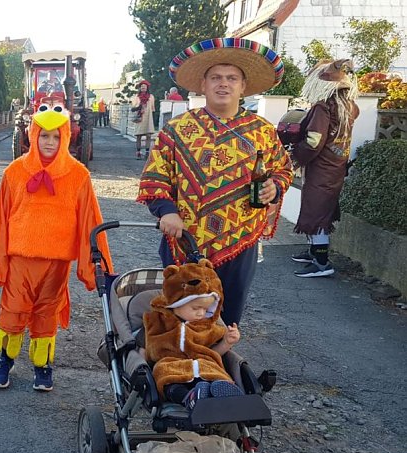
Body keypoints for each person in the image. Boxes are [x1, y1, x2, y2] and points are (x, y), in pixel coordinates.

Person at [137, 37, 294, 327]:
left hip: (240, 239)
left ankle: (220, 367)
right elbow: (155, 177)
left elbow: (283, 169)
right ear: (203, 84)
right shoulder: (177, 130)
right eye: (216, 78)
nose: (224, 84)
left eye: (232, 78)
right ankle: (179, 368)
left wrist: (275, 186)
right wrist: (166, 210)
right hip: (186, 239)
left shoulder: (262, 131)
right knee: (182, 315)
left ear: (243, 86)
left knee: (228, 317)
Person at [0, 103, 113, 392]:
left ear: (66, 137)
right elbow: (1, 219)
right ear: (33, 135)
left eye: (56, 137)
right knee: (13, 309)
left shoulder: (79, 175)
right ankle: (5, 358)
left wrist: (98, 269)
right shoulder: (14, 172)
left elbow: (90, 221)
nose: (49, 142)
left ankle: (43, 363)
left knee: (47, 312)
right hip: (20, 258)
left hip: (56, 263)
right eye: (45, 136)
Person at [144, 259, 244, 409]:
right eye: (196, 308)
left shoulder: (207, 325)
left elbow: (213, 352)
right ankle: (188, 397)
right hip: (172, 364)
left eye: (205, 309)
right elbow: (150, 348)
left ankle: (221, 390)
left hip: (205, 365)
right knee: (168, 380)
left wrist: (227, 342)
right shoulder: (158, 321)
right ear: (176, 304)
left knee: (215, 374)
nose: (201, 313)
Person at [290, 59, 359, 278]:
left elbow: (313, 141)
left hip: (321, 168)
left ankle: (321, 262)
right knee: (321, 210)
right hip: (335, 167)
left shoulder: (323, 106)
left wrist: (295, 156)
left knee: (316, 213)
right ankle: (313, 252)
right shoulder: (347, 105)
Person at [130, 79, 156, 159]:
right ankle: (138, 152)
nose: (143, 88)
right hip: (140, 118)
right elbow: (132, 109)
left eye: (144, 87)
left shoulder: (151, 97)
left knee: (148, 136)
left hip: (148, 118)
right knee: (139, 136)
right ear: (140, 88)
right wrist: (139, 107)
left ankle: (147, 153)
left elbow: (153, 109)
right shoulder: (136, 97)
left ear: (147, 88)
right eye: (141, 87)